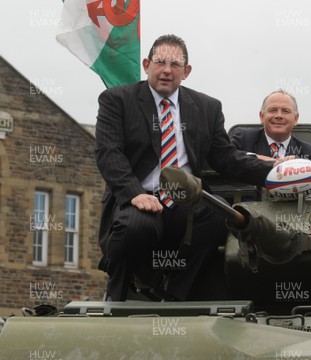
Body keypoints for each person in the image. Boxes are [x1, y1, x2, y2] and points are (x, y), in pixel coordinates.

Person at [94, 34, 277, 301]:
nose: (167, 70)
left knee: (217, 215)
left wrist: (273, 171)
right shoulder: (117, 100)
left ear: (186, 71)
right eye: (160, 62)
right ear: (147, 65)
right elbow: (109, 152)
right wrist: (135, 193)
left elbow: (224, 158)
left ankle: (175, 296)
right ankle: (117, 295)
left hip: (186, 199)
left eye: (175, 65)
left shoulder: (207, 107)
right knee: (137, 227)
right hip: (138, 197)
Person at [230, 89, 311, 199]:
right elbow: (228, 162)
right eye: (273, 110)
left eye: (285, 111)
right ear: (262, 116)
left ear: (295, 119)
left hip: (295, 213)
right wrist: (274, 163)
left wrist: (309, 192)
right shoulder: (243, 138)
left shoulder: (310, 153)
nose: (279, 115)